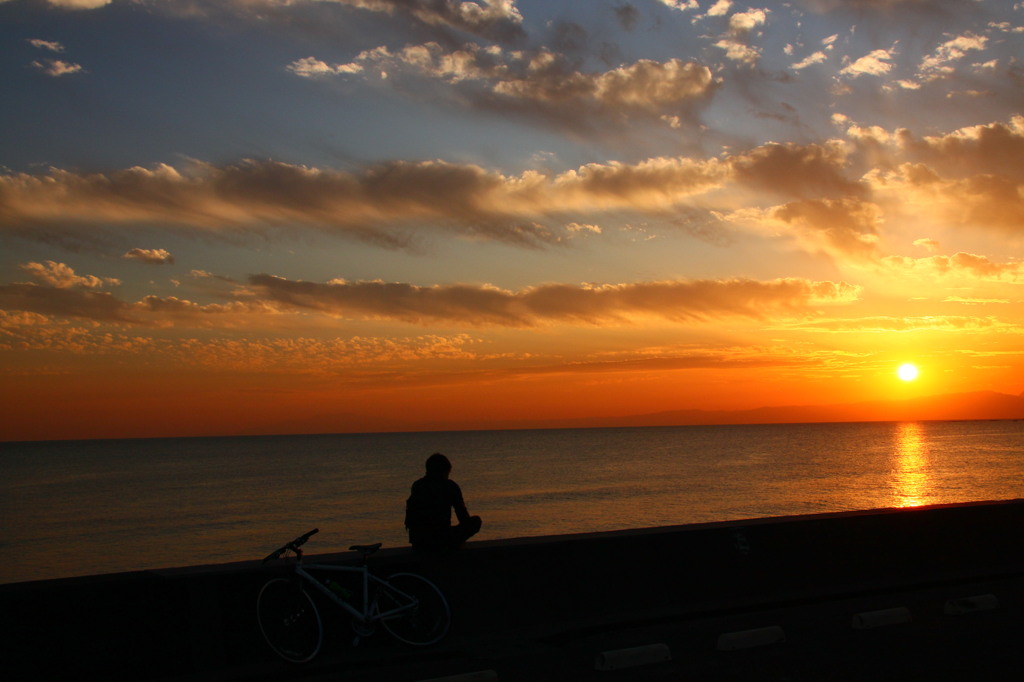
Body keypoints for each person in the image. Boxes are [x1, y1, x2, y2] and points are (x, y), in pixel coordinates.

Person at [405, 453, 482, 551]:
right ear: (444, 471)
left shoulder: (417, 485)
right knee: (476, 521)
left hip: (419, 540)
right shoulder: (450, 487)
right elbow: (463, 517)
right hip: (442, 538)